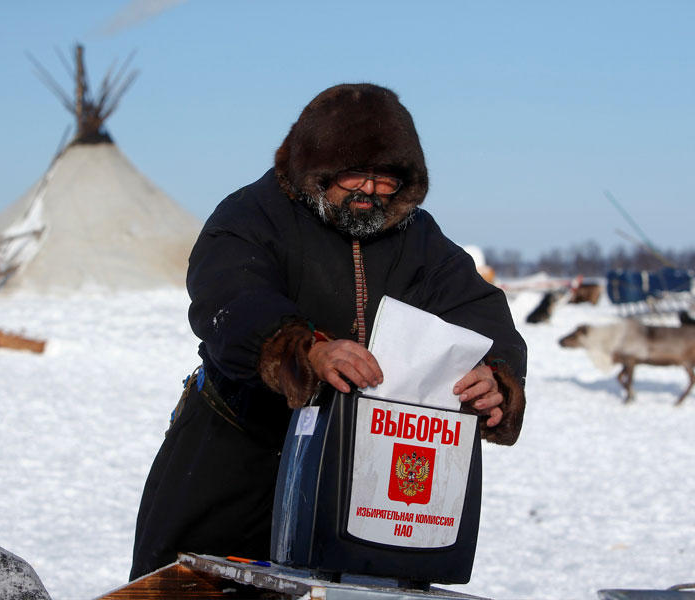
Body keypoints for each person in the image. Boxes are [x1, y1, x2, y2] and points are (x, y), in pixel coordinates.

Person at [130, 83, 526, 580]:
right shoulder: (251, 215)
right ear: (316, 168)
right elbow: (230, 296)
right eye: (354, 174)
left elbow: (476, 309)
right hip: (239, 454)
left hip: (365, 475)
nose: (369, 190)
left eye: (387, 179)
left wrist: (494, 377)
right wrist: (305, 349)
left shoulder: (419, 238)